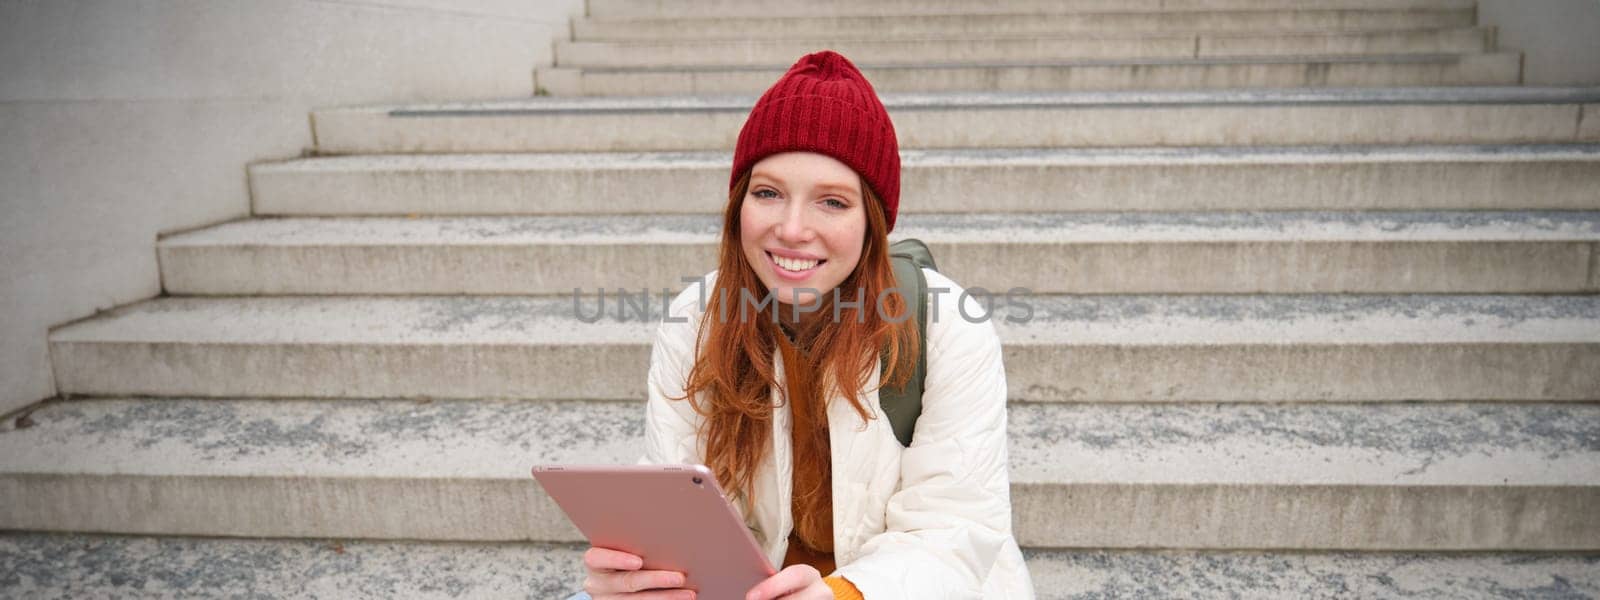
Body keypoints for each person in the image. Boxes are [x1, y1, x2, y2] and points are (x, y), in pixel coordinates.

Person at [573, 51, 1034, 600]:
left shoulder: (946, 326)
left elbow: (954, 530)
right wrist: (649, 574)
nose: (792, 229)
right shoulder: (695, 320)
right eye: (767, 193)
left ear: (873, 223)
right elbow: (682, 498)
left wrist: (844, 594)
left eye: (832, 202)